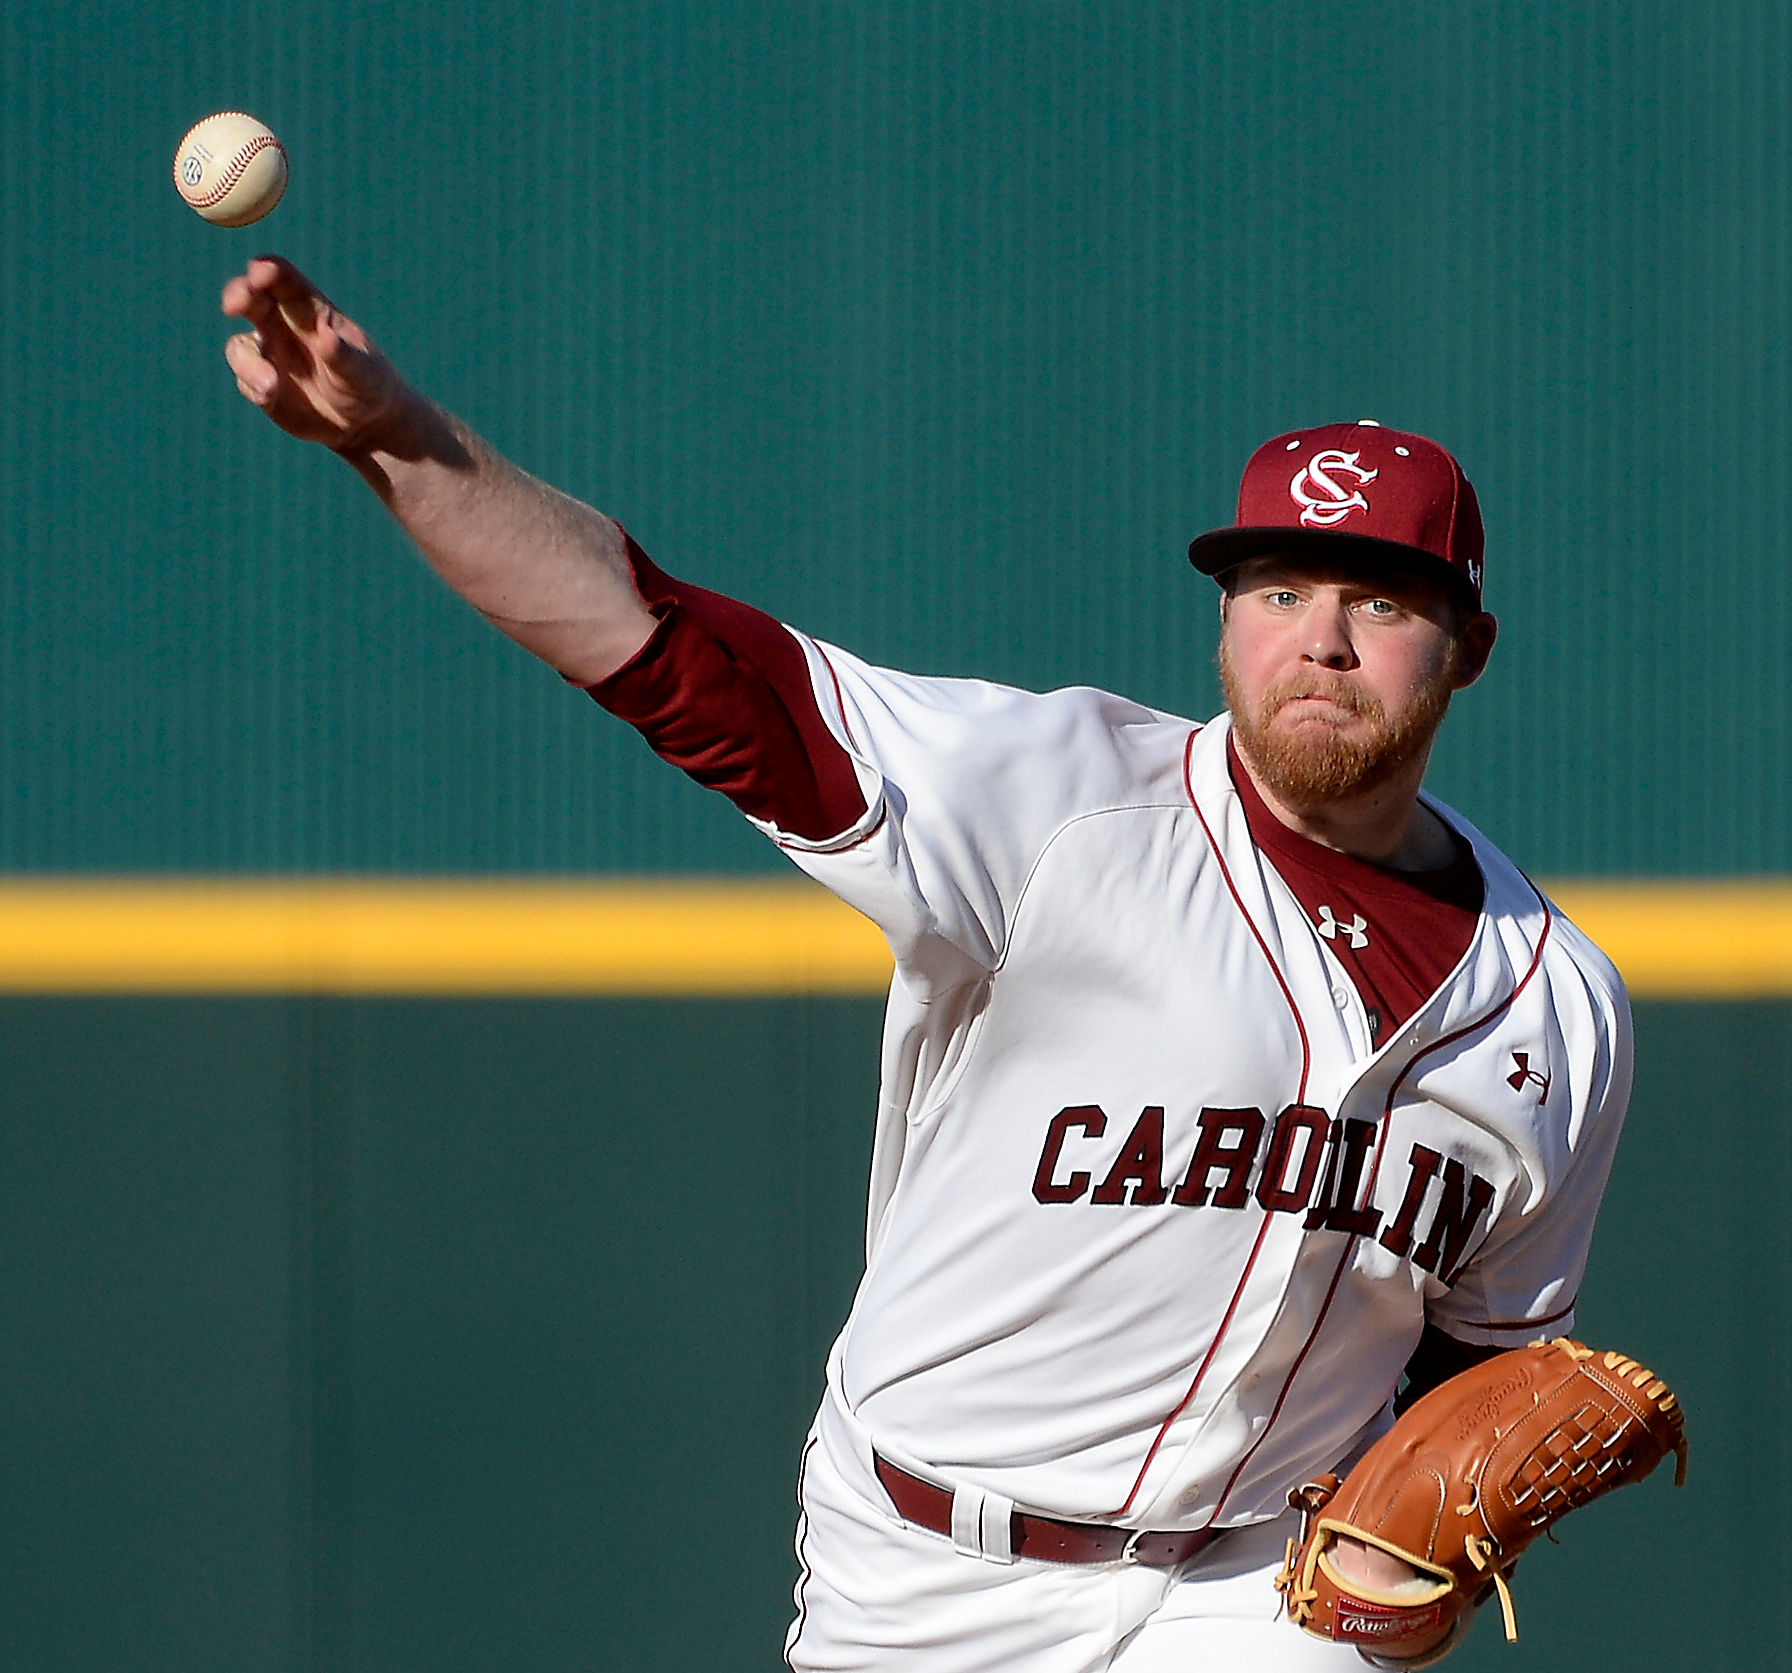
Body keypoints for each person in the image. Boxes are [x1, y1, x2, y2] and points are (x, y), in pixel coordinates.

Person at [218, 257, 1632, 1672]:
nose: (1317, 640)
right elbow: (658, 643)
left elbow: (1486, 1368)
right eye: (1277, 589)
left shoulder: (1555, 1001)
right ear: (1223, 619)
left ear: (1465, 650)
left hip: (1264, 1596)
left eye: (1380, 603)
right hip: (934, 1572)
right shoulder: (1050, 804)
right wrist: (398, 438)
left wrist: (1429, 1541)